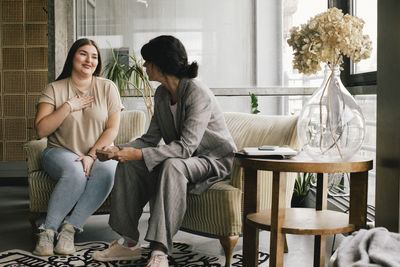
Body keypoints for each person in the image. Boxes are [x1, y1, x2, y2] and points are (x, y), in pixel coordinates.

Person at [92, 35, 237, 267]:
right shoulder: (161, 95)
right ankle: (129, 243)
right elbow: (150, 139)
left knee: (172, 165)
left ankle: (160, 251)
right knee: (129, 163)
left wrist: (138, 154)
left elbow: (187, 147)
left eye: (147, 61)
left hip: (213, 160)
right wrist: (117, 149)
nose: (144, 66)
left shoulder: (197, 92)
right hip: (186, 160)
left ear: (160, 64)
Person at [32, 38, 124, 256]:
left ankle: (70, 229)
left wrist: (92, 155)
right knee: (75, 171)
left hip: (98, 151)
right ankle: (47, 232)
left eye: (94, 56)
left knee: (108, 168)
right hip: (59, 151)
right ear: (72, 56)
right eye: (83, 54)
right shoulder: (54, 89)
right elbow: (41, 130)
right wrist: (68, 106)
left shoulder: (107, 87)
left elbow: (112, 130)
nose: (88, 60)